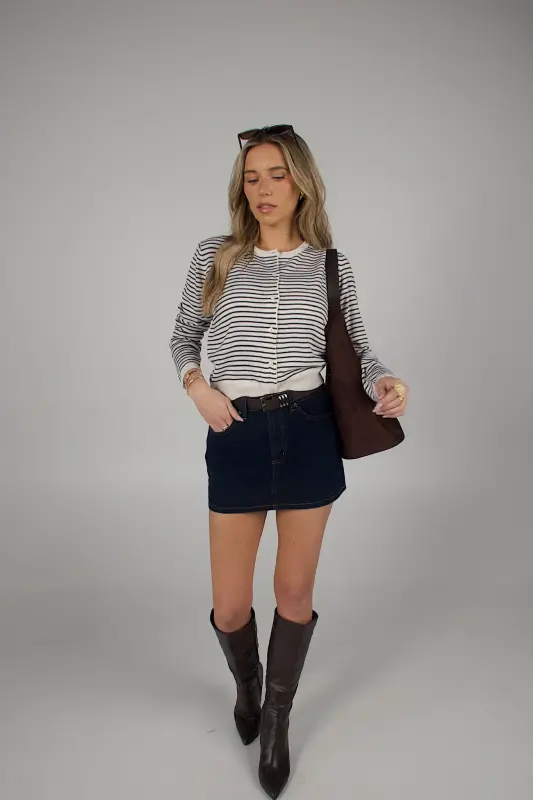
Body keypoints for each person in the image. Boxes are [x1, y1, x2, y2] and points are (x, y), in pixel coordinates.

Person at [169, 124, 409, 798]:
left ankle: (275, 720)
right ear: (240, 187)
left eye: (276, 175)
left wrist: (387, 381)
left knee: (294, 593)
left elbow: (357, 348)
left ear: (301, 182)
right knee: (228, 606)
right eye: (252, 177)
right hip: (238, 431)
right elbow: (184, 335)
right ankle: (247, 688)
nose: (263, 189)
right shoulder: (215, 255)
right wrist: (198, 388)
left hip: (307, 430)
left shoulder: (330, 264)